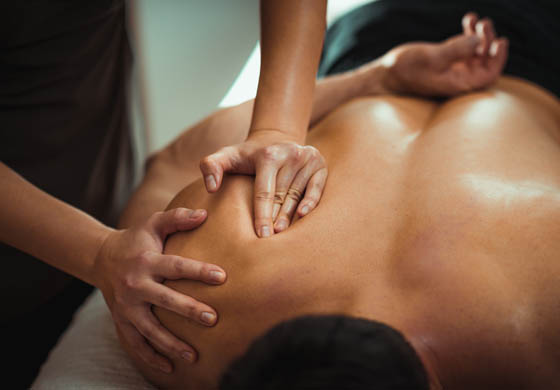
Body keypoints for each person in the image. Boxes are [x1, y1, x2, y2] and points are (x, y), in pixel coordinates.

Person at [114, 2, 560, 389]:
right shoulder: (187, 322)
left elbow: (169, 161)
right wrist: (375, 76)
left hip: (413, 60)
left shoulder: (538, 342)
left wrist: (381, 75)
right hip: (381, 44)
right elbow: (170, 162)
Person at [0, 1, 329, 387]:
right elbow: (172, 161)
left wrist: (277, 130)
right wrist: (96, 252)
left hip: (93, 165)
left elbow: (171, 161)